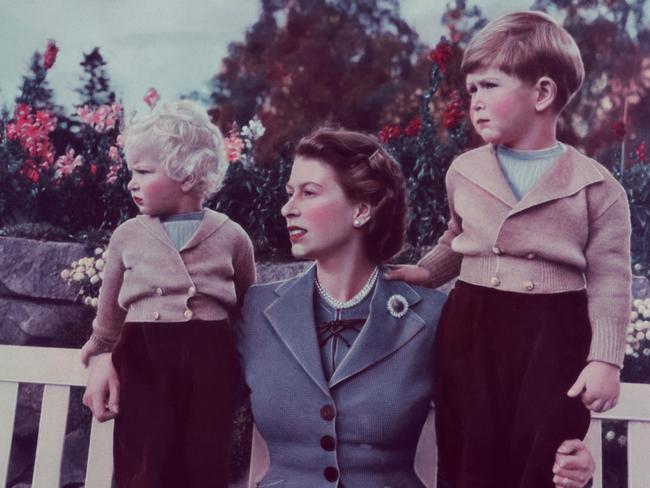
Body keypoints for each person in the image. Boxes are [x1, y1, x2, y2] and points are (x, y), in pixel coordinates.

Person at [83, 128, 596, 488]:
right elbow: (180, 373)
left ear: (362, 209)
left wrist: (568, 456)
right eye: (289, 193)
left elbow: (500, 411)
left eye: (309, 192)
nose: (288, 208)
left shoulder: (433, 317)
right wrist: (108, 354)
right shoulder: (256, 312)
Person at [385, 11, 631, 488]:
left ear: (542, 93)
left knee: (545, 455)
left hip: (554, 332)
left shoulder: (597, 187)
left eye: (490, 86)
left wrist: (604, 360)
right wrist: (426, 272)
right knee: (468, 451)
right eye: (471, 89)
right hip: (473, 323)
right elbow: (457, 238)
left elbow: (610, 277)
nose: (474, 101)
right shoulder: (465, 170)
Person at [80, 100, 256, 488]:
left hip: (211, 363)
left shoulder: (232, 237)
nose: (132, 182)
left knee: (205, 460)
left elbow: (249, 308)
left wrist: (250, 365)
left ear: (187, 175)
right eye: (132, 172)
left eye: (143, 171)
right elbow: (110, 309)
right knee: (142, 460)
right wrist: (102, 352)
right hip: (144, 360)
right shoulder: (127, 235)